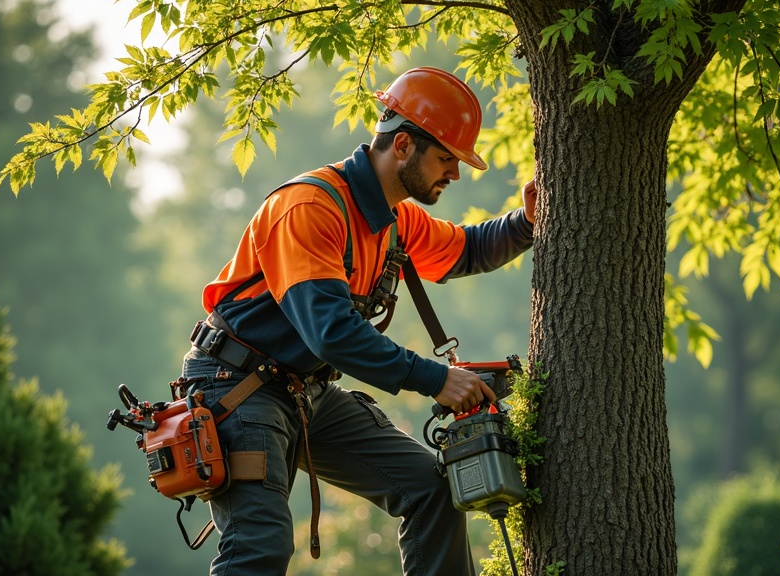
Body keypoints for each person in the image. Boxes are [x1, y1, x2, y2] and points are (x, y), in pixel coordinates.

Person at [181, 66, 536, 576]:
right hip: (237, 388)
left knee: (431, 488)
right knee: (259, 550)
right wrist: (437, 379)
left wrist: (526, 221)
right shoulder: (308, 207)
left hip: (306, 392)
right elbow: (332, 334)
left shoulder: (395, 219)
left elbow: (466, 251)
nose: (454, 174)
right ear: (405, 146)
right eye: (446, 158)